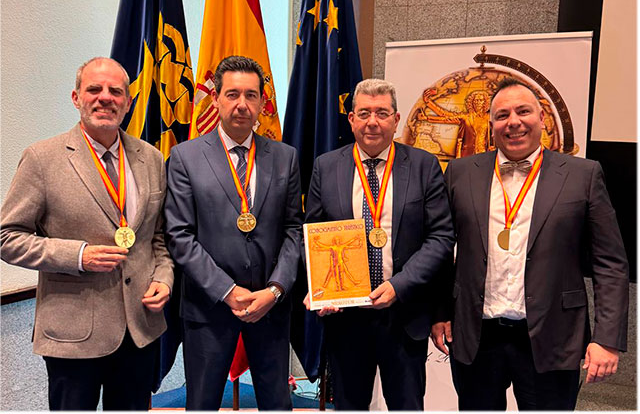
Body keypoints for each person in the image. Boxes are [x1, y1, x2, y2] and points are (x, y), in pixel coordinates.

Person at [432, 78, 629, 410]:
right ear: (491, 124)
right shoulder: (461, 173)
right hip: (476, 336)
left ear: (542, 118)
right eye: (502, 115)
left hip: (554, 335)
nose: (513, 122)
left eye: (523, 111)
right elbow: (440, 247)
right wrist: (439, 312)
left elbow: (610, 263)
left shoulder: (583, 175)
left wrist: (607, 338)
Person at [0, 57, 174, 410]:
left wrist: (164, 278)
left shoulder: (152, 158)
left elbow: (157, 236)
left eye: (115, 91)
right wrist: (78, 256)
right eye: (94, 89)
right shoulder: (42, 159)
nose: (105, 97)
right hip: (73, 334)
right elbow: (8, 238)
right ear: (76, 97)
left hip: (139, 328)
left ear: (128, 102)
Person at [304, 78, 455, 410]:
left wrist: (399, 285)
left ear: (396, 119)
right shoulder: (326, 167)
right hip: (345, 318)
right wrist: (319, 287)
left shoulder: (423, 166)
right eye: (364, 113)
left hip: (404, 315)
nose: (372, 122)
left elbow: (441, 237)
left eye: (382, 113)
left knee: (406, 406)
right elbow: (314, 233)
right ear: (351, 119)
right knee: (350, 406)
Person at [164, 56, 302, 410]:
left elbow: (293, 230)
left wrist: (275, 290)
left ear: (262, 102)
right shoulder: (185, 157)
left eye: (251, 95)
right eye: (232, 94)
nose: (242, 104)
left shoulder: (285, 157)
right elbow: (179, 235)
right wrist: (227, 291)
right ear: (216, 99)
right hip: (208, 308)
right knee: (202, 402)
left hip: (269, 307)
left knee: (277, 402)